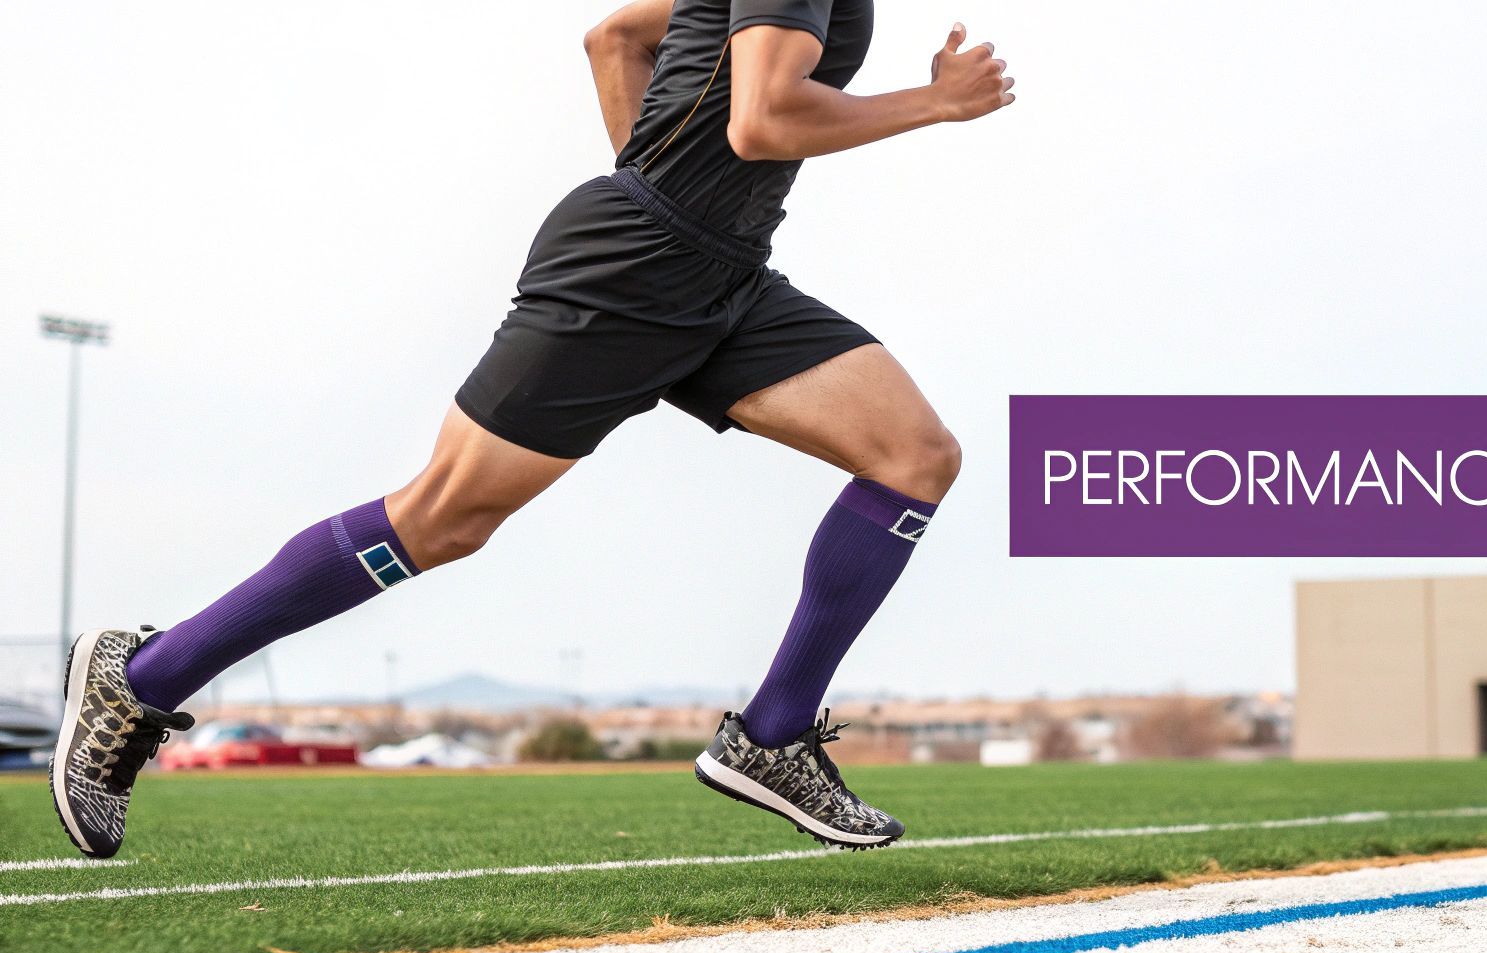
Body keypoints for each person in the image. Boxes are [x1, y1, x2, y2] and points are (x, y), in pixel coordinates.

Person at [49, 0, 1015, 859]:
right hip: (632, 272)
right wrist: (933, 103)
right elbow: (763, 119)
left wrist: (661, 182)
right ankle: (142, 675)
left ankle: (772, 735)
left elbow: (617, 38)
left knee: (914, 454)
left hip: (719, 272)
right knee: (441, 518)